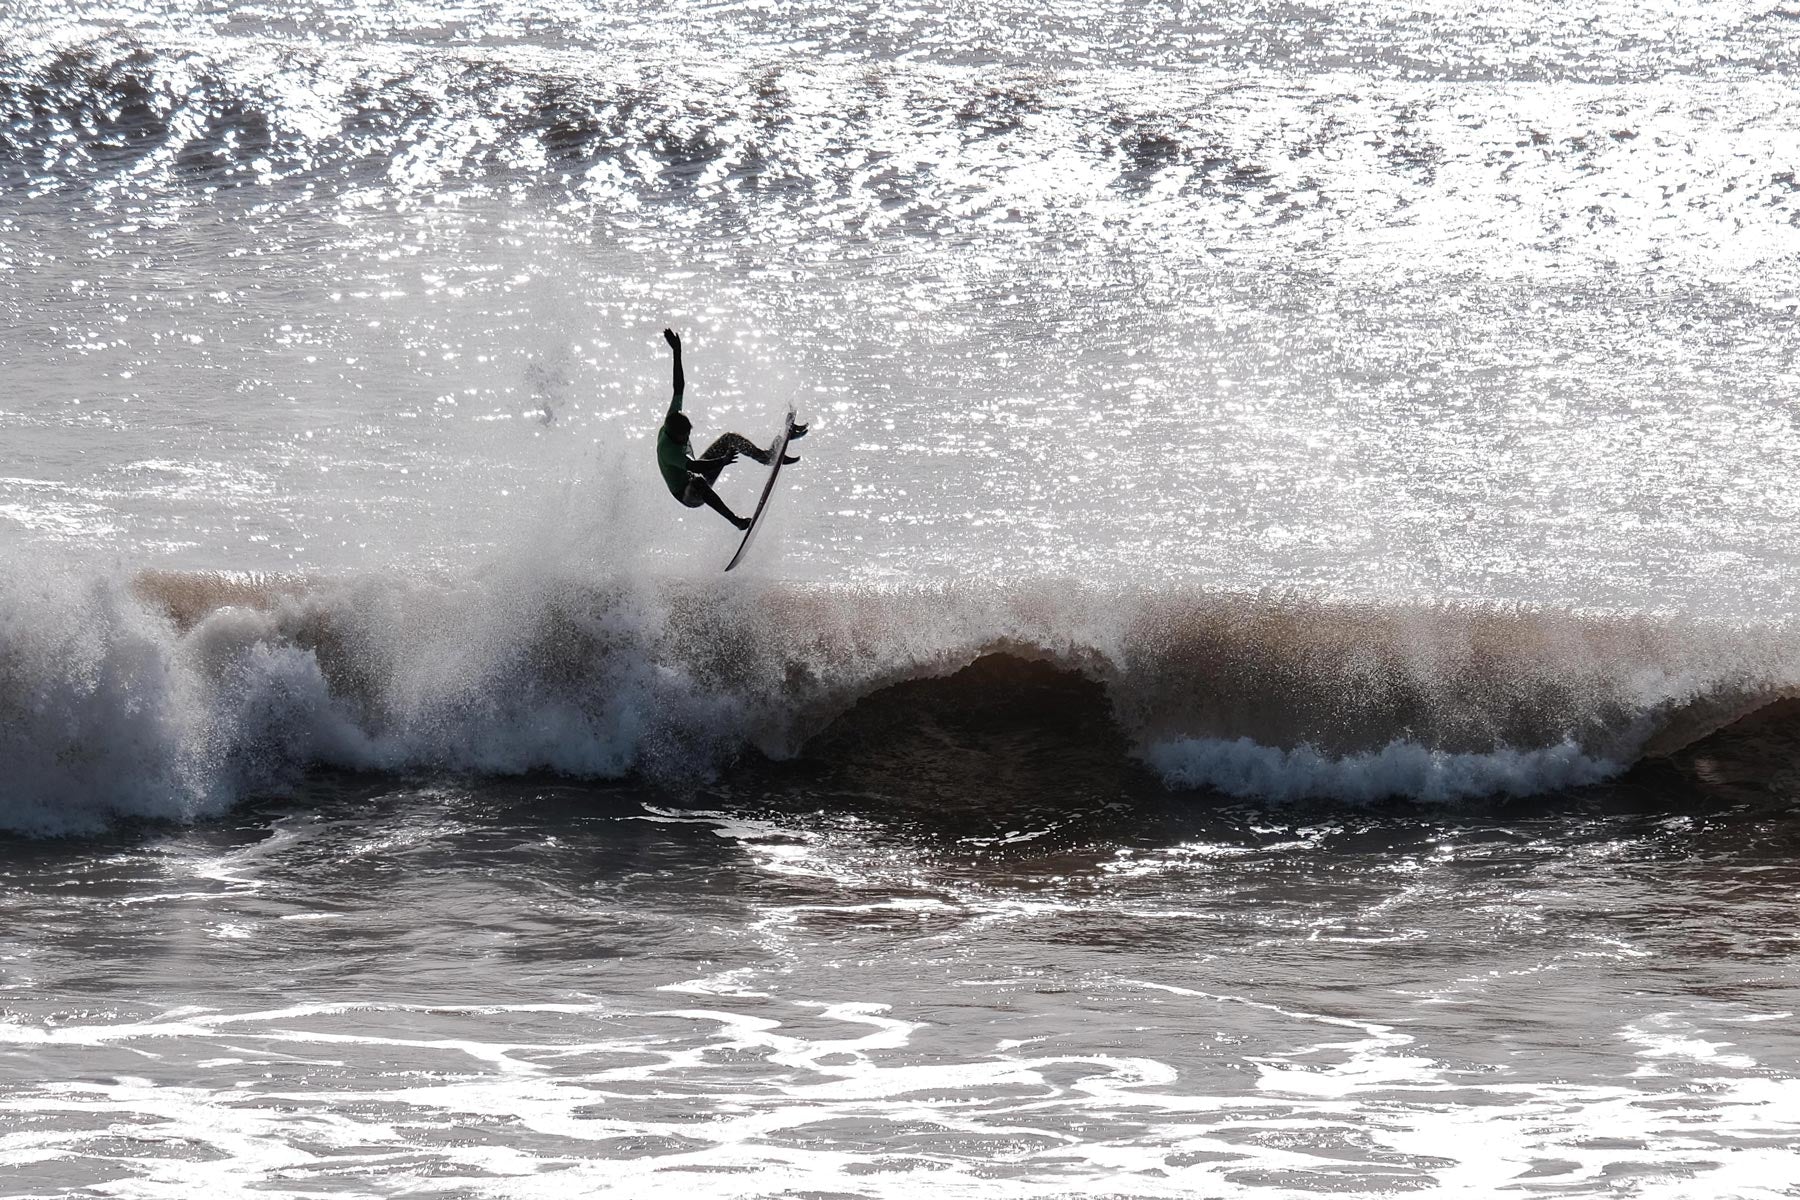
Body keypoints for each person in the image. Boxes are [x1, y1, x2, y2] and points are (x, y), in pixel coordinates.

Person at [655, 327, 805, 529]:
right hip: (688, 495)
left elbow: (679, 386)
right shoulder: (669, 450)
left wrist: (677, 351)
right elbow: (696, 466)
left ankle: (767, 457)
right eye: (684, 437)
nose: (687, 438)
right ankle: (737, 521)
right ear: (674, 436)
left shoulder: (672, 418)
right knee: (699, 482)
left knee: (730, 438)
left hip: (697, 474)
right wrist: (722, 461)